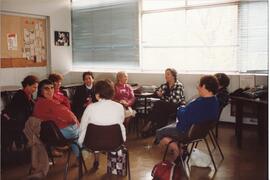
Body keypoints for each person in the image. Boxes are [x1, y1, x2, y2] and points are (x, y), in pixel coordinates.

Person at [154, 75, 220, 161]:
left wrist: (180, 109)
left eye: (199, 84)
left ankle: (180, 151)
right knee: (169, 127)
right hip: (200, 132)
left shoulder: (199, 103)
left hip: (187, 131)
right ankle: (179, 150)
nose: (197, 87)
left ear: (204, 86)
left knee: (159, 133)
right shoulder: (214, 101)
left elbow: (184, 118)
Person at [78, 79, 126, 169]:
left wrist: (81, 141)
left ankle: (96, 160)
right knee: (107, 133)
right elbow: (121, 122)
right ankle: (114, 162)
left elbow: (82, 126)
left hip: (93, 143)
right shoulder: (119, 107)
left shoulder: (90, 107)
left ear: (97, 95)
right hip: (115, 142)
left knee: (94, 133)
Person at [32, 79, 80, 157]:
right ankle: (81, 156)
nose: (50, 91)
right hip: (57, 135)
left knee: (76, 133)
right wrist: (76, 122)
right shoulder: (48, 103)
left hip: (47, 135)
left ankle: (79, 155)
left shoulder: (38, 103)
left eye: (52, 88)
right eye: (46, 88)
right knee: (81, 131)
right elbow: (69, 116)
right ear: (40, 91)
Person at [141, 68, 185, 136]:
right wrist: (157, 92)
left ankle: (150, 124)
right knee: (160, 111)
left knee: (158, 104)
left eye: (168, 74)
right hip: (166, 106)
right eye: (165, 74)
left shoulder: (178, 85)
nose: (165, 76)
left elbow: (174, 101)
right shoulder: (165, 85)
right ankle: (158, 131)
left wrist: (162, 95)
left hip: (176, 106)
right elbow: (157, 90)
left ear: (173, 76)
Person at [2, 75, 39, 150]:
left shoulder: (29, 95)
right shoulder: (20, 95)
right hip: (12, 121)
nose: (35, 89)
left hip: (19, 119)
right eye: (34, 87)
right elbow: (24, 111)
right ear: (27, 85)